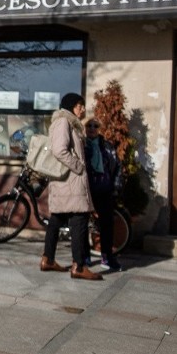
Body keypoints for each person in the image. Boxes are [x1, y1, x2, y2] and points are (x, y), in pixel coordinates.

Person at [39, 93, 101, 280]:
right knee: (79, 219)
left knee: (57, 219)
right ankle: (79, 266)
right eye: (79, 105)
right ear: (71, 106)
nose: (82, 109)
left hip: (66, 183)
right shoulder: (64, 122)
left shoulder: (69, 123)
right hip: (70, 182)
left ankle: (48, 259)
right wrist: (78, 167)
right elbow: (59, 150)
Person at [83, 117, 123, 270]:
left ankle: (107, 257)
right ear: (85, 128)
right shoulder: (82, 145)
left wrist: (116, 187)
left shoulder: (106, 146)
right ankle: (85, 256)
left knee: (107, 225)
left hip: (104, 189)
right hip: (86, 191)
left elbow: (117, 166)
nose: (92, 128)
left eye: (95, 125)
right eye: (89, 125)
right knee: (83, 225)